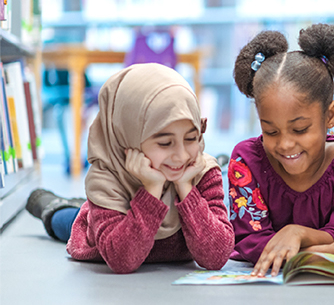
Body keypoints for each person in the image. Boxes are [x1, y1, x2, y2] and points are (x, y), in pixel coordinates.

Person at [25, 63, 234, 274]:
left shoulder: (202, 171)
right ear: (129, 135)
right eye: (164, 143)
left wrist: (185, 187)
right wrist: (152, 190)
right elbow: (122, 260)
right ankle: (50, 205)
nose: (181, 156)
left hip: (136, 217)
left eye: (190, 138)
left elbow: (216, 257)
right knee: (68, 220)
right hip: (102, 236)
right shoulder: (107, 178)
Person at [229, 23, 334, 277]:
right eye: (271, 131)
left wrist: (295, 232)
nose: (285, 144)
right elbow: (252, 243)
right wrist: (328, 252)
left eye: (299, 130)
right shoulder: (246, 160)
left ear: (330, 116)